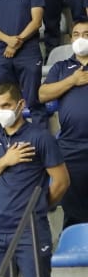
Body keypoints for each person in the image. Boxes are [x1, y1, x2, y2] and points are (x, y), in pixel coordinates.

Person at [0, 82, 69, 277]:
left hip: (30, 233)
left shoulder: (40, 137)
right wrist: (4, 161)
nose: (1, 112)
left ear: (21, 104)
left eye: (6, 105)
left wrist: (40, 209)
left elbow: (62, 182)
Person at [40, 19, 88, 226]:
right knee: (74, 210)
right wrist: (72, 80)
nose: (81, 38)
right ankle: (75, 249)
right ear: (70, 39)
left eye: (86, 34)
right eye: (76, 34)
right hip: (71, 146)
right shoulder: (61, 67)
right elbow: (42, 94)